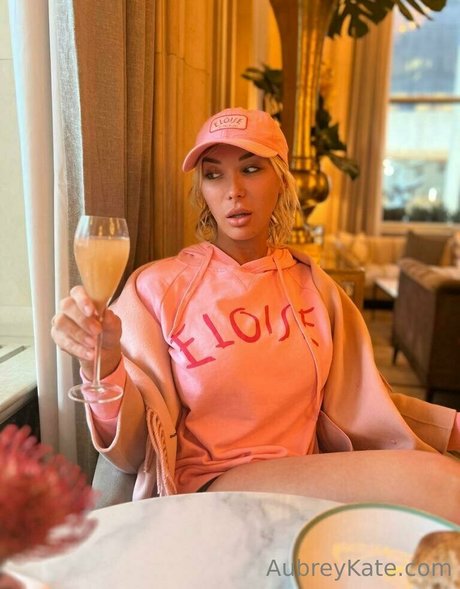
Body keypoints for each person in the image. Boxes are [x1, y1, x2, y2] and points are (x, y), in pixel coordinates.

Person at [51, 107, 460, 522]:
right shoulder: (157, 288)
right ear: (202, 191)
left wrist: (453, 427)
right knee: (445, 484)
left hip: (307, 482)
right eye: (214, 175)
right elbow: (132, 450)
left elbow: (370, 403)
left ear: (280, 180)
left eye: (250, 169)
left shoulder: (316, 287)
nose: (233, 191)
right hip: (211, 490)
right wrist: (103, 362)